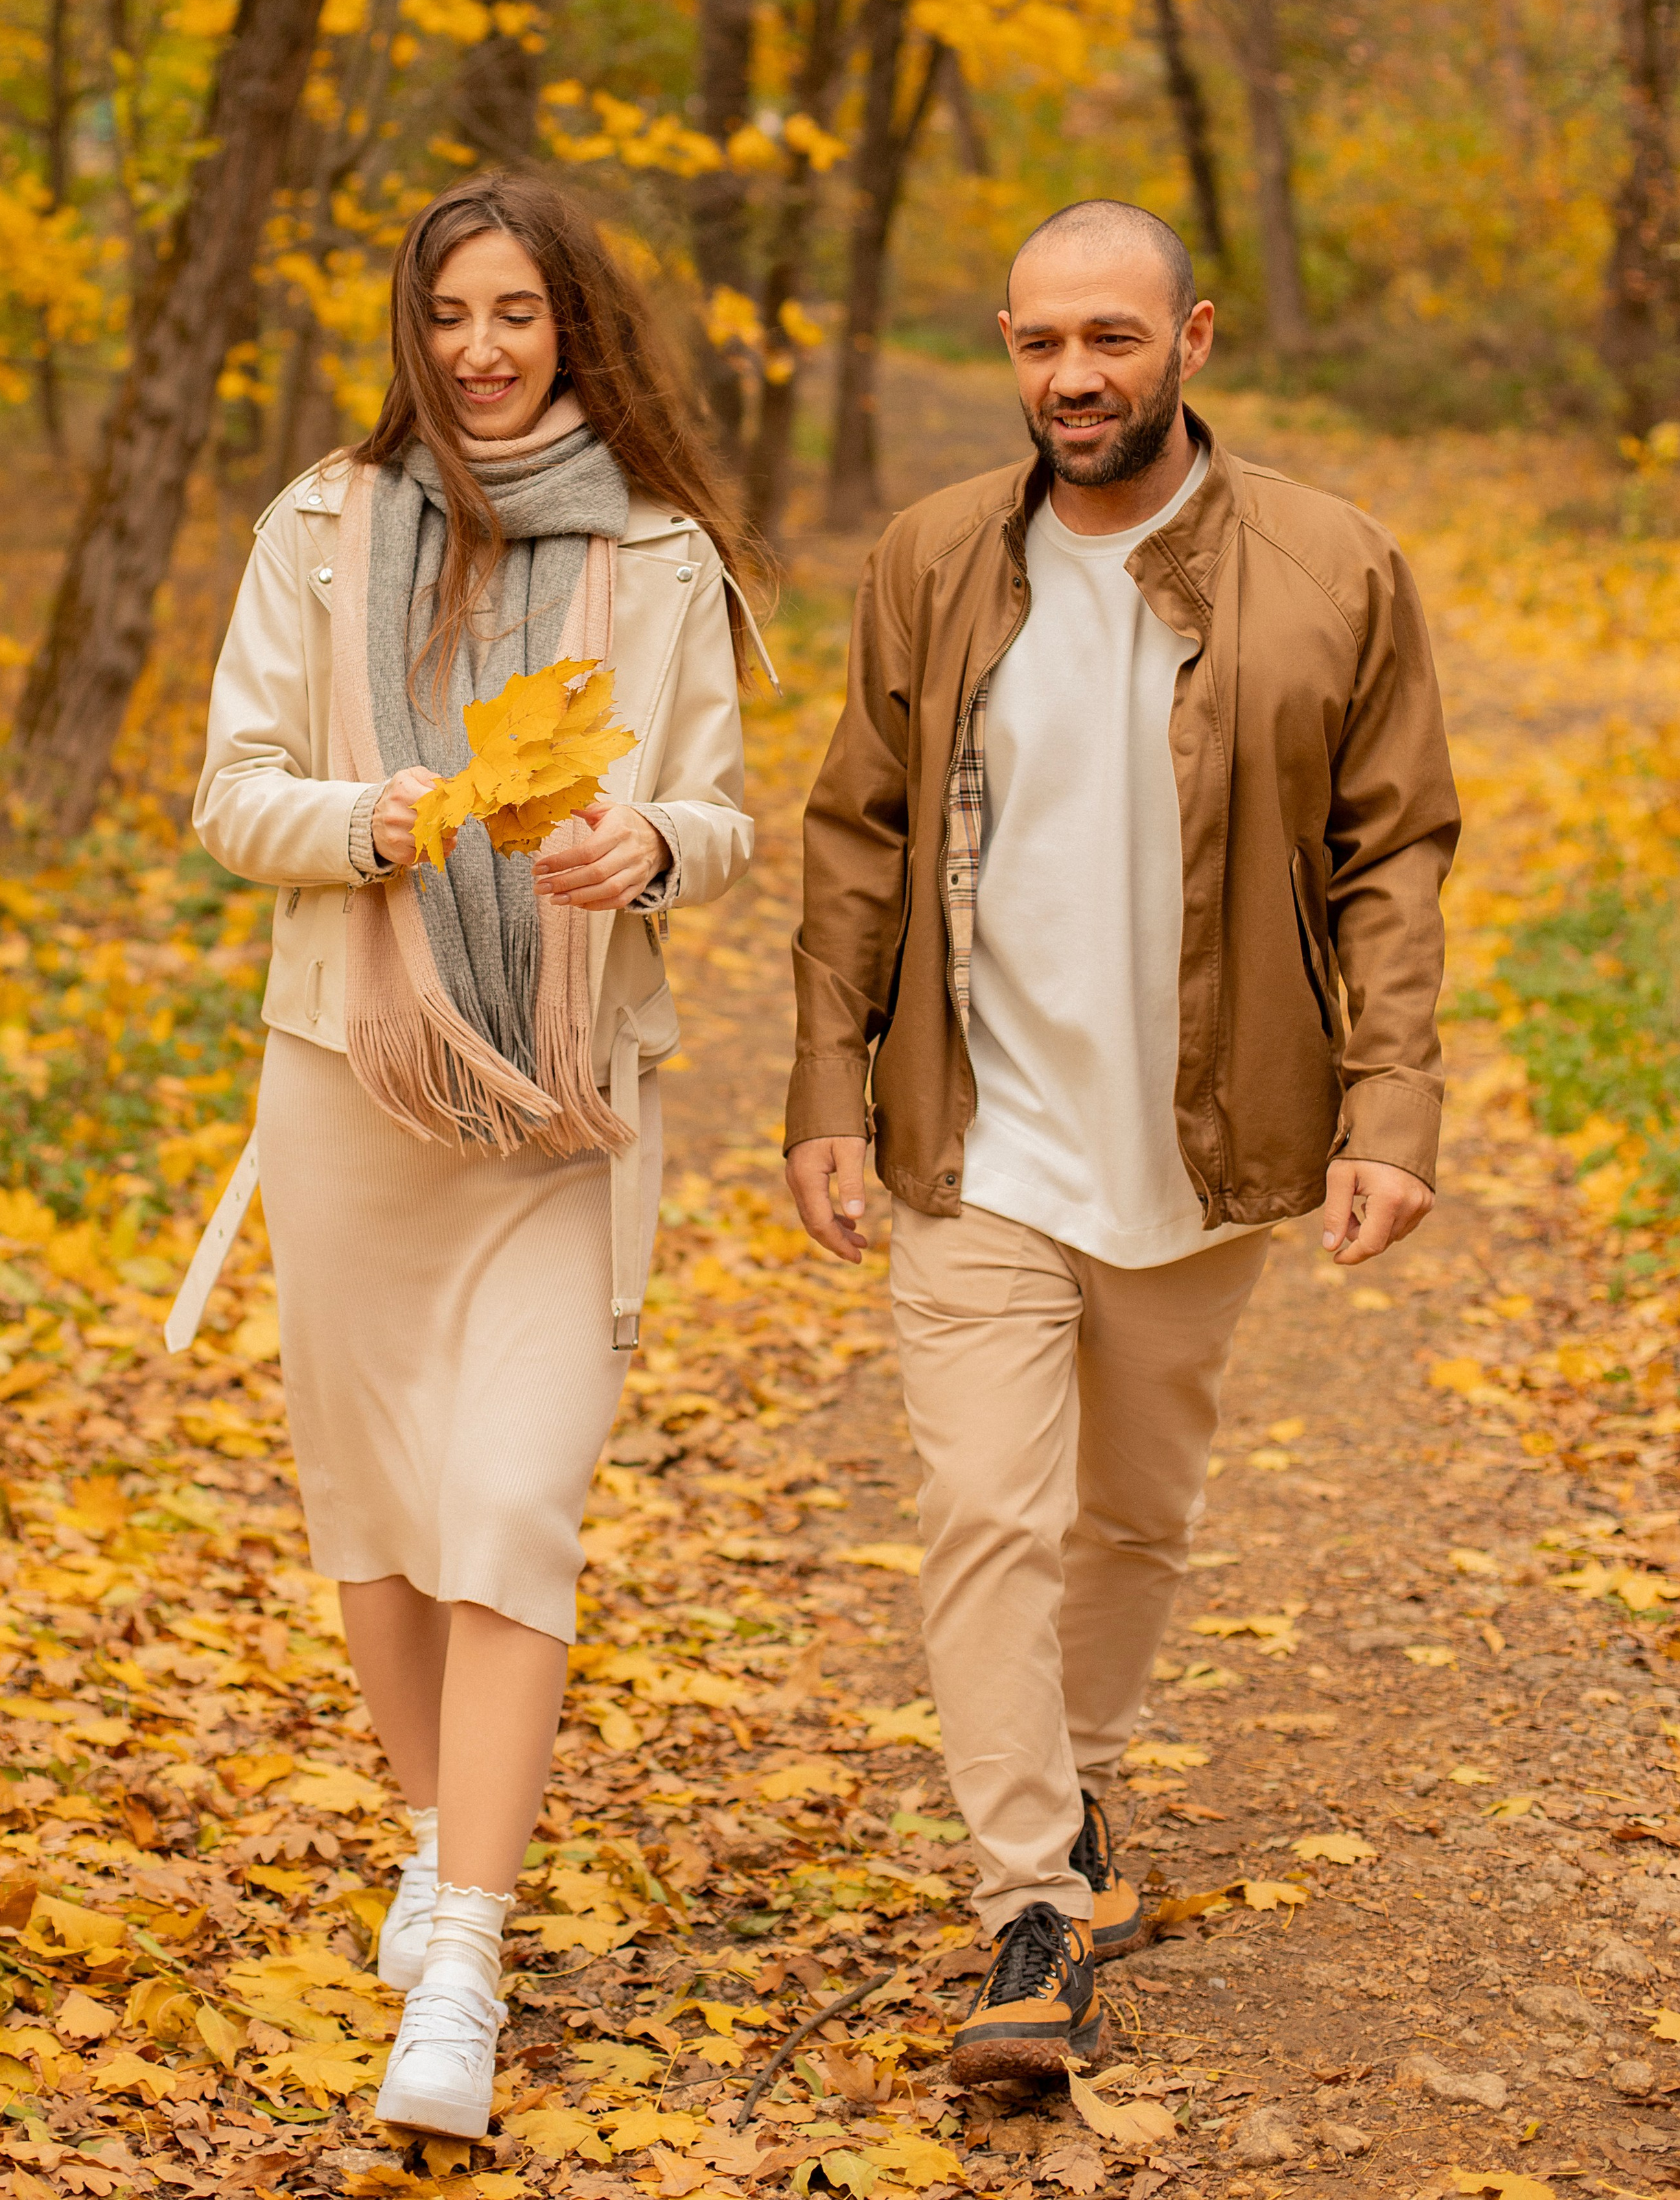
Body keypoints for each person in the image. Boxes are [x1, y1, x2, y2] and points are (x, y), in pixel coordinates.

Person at [784, 199, 1458, 2083]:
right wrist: (827, 1085)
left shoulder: (1334, 569)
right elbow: (856, 830)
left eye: (1113, 339)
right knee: (985, 1513)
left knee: (1134, 1514)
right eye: (1040, 343)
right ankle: (1029, 1910)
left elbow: (1392, 847)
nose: (1074, 377)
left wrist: (1389, 1106)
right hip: (974, 1131)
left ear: (1194, 338)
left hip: (1206, 1139)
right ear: (1005, 344)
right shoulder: (931, 562)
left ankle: (1069, 1791)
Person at [194, 172, 762, 2138]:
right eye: (450, 313)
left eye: (518, 312)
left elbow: (718, 811)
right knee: (376, 1505)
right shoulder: (324, 527)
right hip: (353, 1085)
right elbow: (231, 794)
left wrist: (654, 849)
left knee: (515, 1500)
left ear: (575, 327)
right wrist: (382, 816)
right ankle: (439, 1838)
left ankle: (467, 1961)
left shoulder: (671, 554)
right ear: (413, 328)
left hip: (565, 1099)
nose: (481, 348)